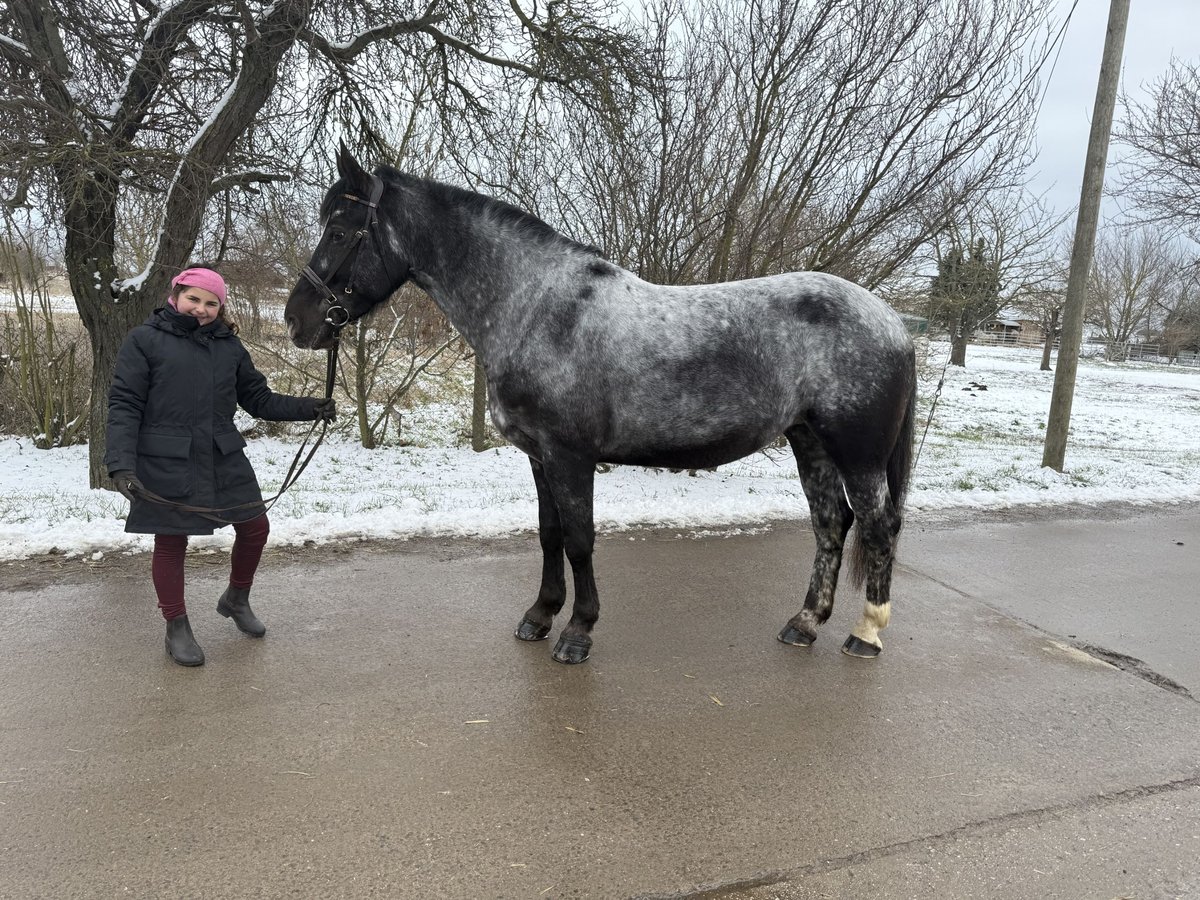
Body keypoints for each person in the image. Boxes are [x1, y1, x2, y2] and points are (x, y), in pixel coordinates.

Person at [105, 265, 336, 667]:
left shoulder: (229, 347)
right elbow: (124, 405)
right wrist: (121, 465)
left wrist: (308, 407)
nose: (202, 308)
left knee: (255, 527)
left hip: (222, 454)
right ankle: (176, 625)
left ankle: (236, 597)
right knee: (172, 541)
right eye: (194, 298)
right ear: (175, 296)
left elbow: (259, 400)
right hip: (165, 458)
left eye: (211, 302)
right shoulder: (145, 341)